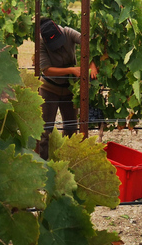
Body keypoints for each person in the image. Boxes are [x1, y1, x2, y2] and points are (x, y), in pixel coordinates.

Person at [37, 18, 97, 160]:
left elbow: (87, 42)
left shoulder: (68, 32)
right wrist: (71, 69)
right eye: (54, 46)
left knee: (71, 128)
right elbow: (46, 70)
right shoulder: (40, 43)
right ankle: (42, 166)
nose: (58, 47)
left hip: (70, 89)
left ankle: (68, 163)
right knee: (45, 131)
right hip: (49, 89)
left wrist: (92, 63)